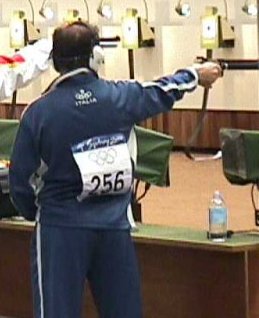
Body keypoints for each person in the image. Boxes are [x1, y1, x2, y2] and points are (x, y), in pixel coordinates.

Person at [9, 20, 222, 318]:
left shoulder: (38, 113)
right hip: (113, 227)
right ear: (97, 56)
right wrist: (196, 74)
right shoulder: (119, 97)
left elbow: (19, 182)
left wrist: (40, 214)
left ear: (55, 62)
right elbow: (164, 89)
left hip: (59, 229)